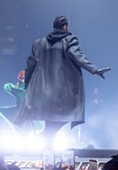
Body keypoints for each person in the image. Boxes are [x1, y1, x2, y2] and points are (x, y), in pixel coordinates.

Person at [16, 15, 111, 151]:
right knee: (66, 114)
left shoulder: (39, 43)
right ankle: (47, 139)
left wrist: (28, 84)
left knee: (51, 119)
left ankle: (47, 143)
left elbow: (30, 64)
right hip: (61, 90)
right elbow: (78, 57)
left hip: (42, 89)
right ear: (65, 26)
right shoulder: (69, 40)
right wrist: (95, 70)